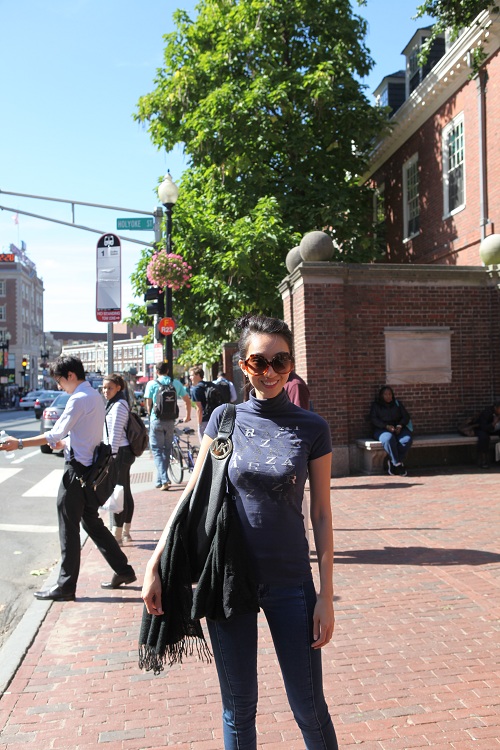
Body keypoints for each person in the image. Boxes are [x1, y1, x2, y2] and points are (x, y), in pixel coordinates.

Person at [143, 314, 338, 750]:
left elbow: (321, 514)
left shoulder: (312, 428)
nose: (269, 372)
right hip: (229, 580)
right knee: (239, 707)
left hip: (292, 583)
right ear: (243, 366)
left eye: (280, 361)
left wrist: (326, 594)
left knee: (308, 706)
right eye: (258, 362)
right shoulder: (223, 420)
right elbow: (192, 494)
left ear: (292, 364)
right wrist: (155, 562)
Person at [0, 356, 136, 601]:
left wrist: (18, 443)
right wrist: (66, 442)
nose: (59, 386)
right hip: (90, 470)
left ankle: (65, 586)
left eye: (60, 381)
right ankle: (123, 570)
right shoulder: (94, 396)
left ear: (71, 375)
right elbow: (82, 433)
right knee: (92, 523)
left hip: (75, 473)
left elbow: (54, 433)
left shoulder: (78, 399)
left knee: (69, 528)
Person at [144, 362, 191, 490]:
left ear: (156, 371)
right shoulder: (175, 383)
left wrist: (150, 415)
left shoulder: (152, 384)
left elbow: (148, 403)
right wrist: (187, 416)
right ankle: (160, 480)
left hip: (156, 420)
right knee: (166, 449)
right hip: (170, 421)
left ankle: (164, 479)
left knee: (157, 450)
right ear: (168, 370)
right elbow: (187, 400)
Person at [102, 373, 136, 544]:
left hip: (119, 453)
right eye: (104, 388)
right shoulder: (116, 403)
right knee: (125, 491)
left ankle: (117, 534)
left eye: (109, 388)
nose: (105, 391)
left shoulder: (118, 406)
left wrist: (110, 458)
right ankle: (125, 532)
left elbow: (115, 434)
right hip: (121, 452)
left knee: (119, 492)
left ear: (118, 388)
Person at [370, 385, 413, 476]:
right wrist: (386, 426)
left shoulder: (397, 404)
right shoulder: (376, 406)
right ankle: (398, 464)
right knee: (389, 439)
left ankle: (393, 461)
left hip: (398, 428)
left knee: (406, 440)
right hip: (382, 429)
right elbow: (374, 419)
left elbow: (406, 416)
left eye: (390, 394)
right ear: (381, 395)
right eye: (385, 394)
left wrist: (400, 425)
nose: (388, 396)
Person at [475, 401, 500, 469]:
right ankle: (483, 460)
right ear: (495, 408)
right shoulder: (487, 413)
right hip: (485, 429)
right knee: (484, 437)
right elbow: (484, 427)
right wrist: (494, 423)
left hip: (496, 429)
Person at [188, 365, 210, 440]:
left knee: (204, 445)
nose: (190, 378)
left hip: (204, 420)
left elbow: (199, 409)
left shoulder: (196, 389)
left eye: (191, 375)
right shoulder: (209, 385)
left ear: (197, 375)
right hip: (215, 418)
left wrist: (199, 424)